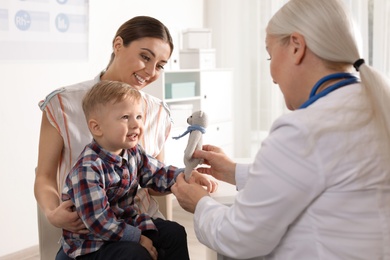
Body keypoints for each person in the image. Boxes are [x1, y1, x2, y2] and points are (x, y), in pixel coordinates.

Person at [171, 0, 390, 259]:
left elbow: (239, 237)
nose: (272, 74)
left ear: (296, 47)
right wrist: (234, 171)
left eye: (270, 56)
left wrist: (199, 204)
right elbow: (323, 176)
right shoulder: (372, 106)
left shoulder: (304, 129)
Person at [35, 16, 177, 259]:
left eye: (160, 65)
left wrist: (187, 177)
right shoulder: (63, 104)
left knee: (174, 235)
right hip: (90, 231)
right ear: (118, 45)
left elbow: (154, 181)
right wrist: (51, 212)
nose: (151, 72)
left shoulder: (158, 113)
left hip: (141, 222)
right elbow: (45, 175)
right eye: (145, 57)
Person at [61, 80, 216, 259]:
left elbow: (159, 174)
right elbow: (99, 222)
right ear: (97, 127)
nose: (136, 124)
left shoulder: (133, 152)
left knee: (175, 232)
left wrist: (187, 176)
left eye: (139, 116)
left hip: (127, 225)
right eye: (125, 117)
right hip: (93, 242)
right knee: (135, 254)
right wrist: (139, 239)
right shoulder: (88, 169)